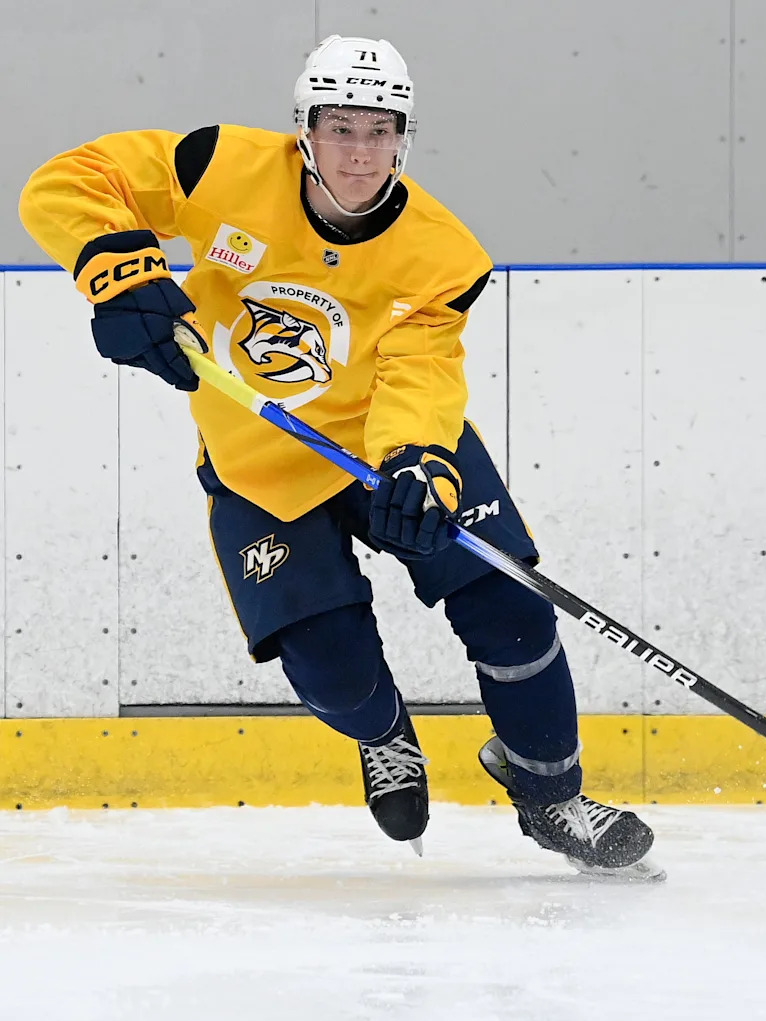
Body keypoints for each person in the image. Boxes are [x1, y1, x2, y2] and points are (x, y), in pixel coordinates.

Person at [19, 34, 661, 878]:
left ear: (404, 138)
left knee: (511, 612)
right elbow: (66, 180)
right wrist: (116, 269)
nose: (360, 152)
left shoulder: (441, 252)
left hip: (389, 449)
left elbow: (422, 370)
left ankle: (552, 796)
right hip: (259, 464)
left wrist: (422, 462)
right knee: (331, 673)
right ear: (304, 130)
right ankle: (385, 730)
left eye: (379, 131)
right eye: (340, 127)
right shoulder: (220, 166)